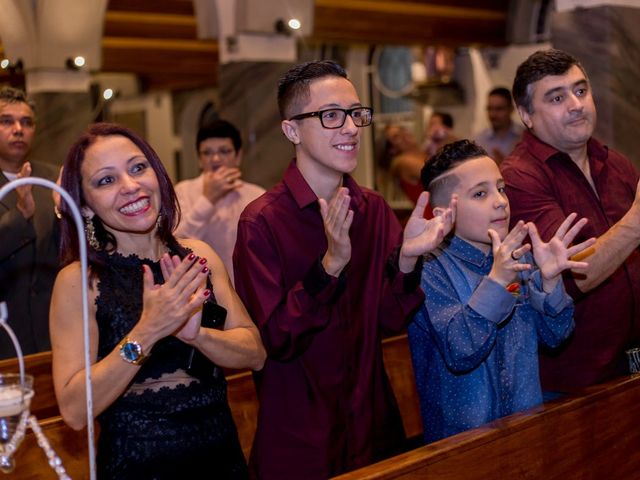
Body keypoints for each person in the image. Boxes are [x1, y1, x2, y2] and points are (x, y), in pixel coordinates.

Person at [232, 60, 455, 479]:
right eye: (331, 116)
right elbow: (275, 340)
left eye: (356, 114)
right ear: (292, 130)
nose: (351, 128)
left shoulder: (371, 209)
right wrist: (329, 267)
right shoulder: (261, 222)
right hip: (302, 441)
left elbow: (390, 318)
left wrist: (408, 258)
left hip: (373, 429)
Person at [50, 123, 266, 479]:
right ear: (86, 207)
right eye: (106, 180)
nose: (130, 186)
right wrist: (147, 332)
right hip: (137, 465)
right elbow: (74, 411)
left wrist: (198, 336)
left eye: (138, 168)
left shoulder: (199, 256)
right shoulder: (79, 281)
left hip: (220, 457)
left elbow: (255, 353)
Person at [409, 139, 593, 443]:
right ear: (445, 212)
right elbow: (460, 352)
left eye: (501, 188)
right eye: (480, 194)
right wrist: (497, 281)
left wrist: (549, 282)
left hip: (527, 431)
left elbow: (557, 336)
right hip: (462, 446)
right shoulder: (430, 269)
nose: (500, 201)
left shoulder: (519, 258)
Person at [501, 48, 640, 393]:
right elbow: (574, 276)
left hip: (629, 365)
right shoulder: (519, 178)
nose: (576, 104)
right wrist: (637, 223)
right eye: (557, 97)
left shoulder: (615, 163)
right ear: (526, 115)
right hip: (574, 381)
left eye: (580, 91)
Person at [0, 86, 60, 359]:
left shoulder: (52, 177)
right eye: (6, 121)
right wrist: (20, 214)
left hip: (53, 324)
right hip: (6, 327)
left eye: (26, 122)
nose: (18, 129)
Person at [174, 120, 265, 285]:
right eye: (207, 153)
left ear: (238, 156)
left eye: (224, 151)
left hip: (248, 290)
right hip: (199, 289)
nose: (215, 159)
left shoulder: (257, 195)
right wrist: (208, 199)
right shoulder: (182, 192)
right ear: (199, 160)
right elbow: (175, 245)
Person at [376, 123, 426, 205]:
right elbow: (439, 174)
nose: (404, 134)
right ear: (392, 149)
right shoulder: (403, 162)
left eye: (402, 130)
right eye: (396, 137)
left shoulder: (421, 154)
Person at [474, 87, 523, 164]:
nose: (493, 114)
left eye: (499, 109)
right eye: (490, 108)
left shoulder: (524, 136)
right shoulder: (478, 141)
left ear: (511, 109)